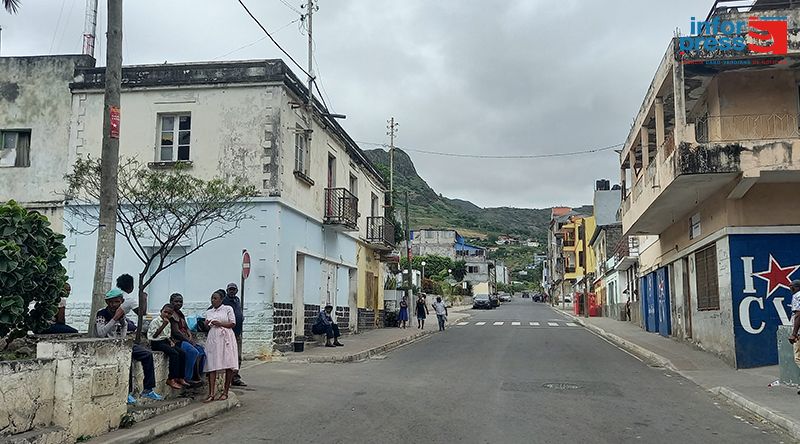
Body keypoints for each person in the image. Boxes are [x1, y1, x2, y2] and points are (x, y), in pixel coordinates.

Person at [96, 288, 162, 404]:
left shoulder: (122, 314)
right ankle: (127, 392)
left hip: (122, 343)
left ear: (121, 301)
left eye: (116, 302)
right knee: (128, 359)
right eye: (111, 302)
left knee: (147, 354)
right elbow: (101, 333)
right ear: (107, 302)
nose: (113, 304)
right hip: (108, 344)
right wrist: (114, 318)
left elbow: (123, 333)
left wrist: (122, 322)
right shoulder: (102, 313)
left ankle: (148, 388)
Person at [204, 289, 239, 402]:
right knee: (212, 363)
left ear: (221, 299)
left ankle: (225, 391)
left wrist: (221, 324)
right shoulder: (209, 312)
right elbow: (207, 327)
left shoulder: (228, 309)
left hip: (226, 337)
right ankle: (211, 393)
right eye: (212, 298)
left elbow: (232, 323)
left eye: (215, 298)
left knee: (228, 362)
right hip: (213, 337)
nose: (213, 300)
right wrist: (206, 324)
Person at [148, 304, 189, 390]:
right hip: (156, 343)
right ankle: (171, 378)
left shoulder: (169, 322)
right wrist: (163, 325)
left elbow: (167, 335)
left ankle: (180, 377)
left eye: (169, 313)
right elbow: (154, 336)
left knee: (182, 353)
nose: (166, 315)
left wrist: (171, 342)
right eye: (165, 312)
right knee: (174, 354)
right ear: (161, 311)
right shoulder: (155, 321)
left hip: (165, 341)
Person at [169, 293, 205, 384]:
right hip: (177, 341)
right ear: (171, 302)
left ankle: (197, 375)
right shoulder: (171, 314)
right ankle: (187, 377)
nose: (178, 303)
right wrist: (188, 340)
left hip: (185, 339)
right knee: (193, 352)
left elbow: (186, 328)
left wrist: (190, 336)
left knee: (201, 351)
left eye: (180, 302)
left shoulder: (180, 314)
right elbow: (176, 332)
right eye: (176, 301)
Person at [222, 283, 246, 387]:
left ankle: (235, 377)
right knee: (228, 357)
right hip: (228, 334)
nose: (232, 291)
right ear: (227, 290)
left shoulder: (237, 300)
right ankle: (227, 379)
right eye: (230, 289)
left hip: (237, 333)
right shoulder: (224, 301)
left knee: (238, 357)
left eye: (234, 289)